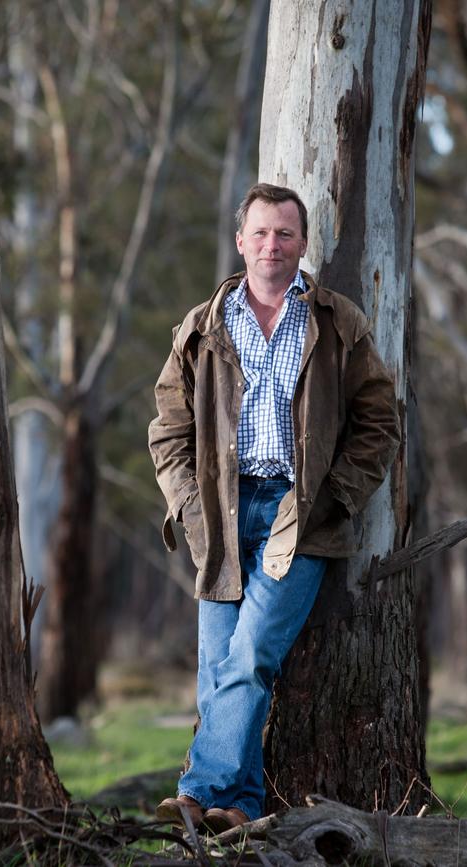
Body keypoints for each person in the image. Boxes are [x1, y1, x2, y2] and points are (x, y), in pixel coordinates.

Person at [148, 183, 400, 833]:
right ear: (241, 241)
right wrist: (185, 503)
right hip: (220, 513)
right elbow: (168, 427)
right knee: (220, 667)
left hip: (298, 513)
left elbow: (379, 420)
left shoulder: (336, 321)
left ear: (302, 243)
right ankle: (241, 806)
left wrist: (339, 497)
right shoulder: (202, 326)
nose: (272, 245)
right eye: (260, 233)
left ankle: (197, 789)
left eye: (285, 233)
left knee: (252, 652)